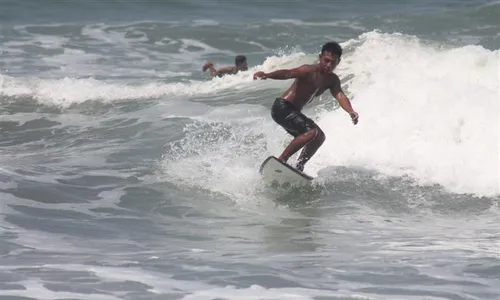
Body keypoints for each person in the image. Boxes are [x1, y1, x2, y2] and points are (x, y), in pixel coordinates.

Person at [253, 41, 359, 172]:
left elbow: (340, 95)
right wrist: (267, 75)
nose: (329, 65)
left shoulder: (332, 80)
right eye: (326, 60)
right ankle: (281, 161)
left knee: (319, 137)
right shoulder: (308, 70)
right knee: (310, 131)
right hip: (282, 108)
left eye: (333, 62)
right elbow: (288, 73)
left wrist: (351, 111)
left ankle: (299, 168)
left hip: (293, 112)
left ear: (338, 62)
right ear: (320, 57)